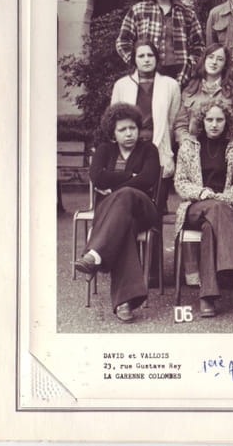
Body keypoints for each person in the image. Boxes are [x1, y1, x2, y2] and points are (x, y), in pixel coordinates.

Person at [173, 98, 233, 318]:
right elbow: (180, 182)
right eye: (209, 120)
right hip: (196, 206)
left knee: (210, 227)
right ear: (202, 121)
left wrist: (223, 198)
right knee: (215, 210)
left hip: (227, 206)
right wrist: (200, 192)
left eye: (219, 120)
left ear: (226, 122)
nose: (214, 124)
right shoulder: (189, 146)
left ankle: (207, 298)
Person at [74, 104, 160, 323]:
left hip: (143, 209)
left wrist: (114, 187)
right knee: (124, 229)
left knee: (126, 194)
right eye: (122, 129)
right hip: (112, 215)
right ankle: (124, 303)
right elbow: (97, 177)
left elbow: (148, 178)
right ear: (113, 132)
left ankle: (95, 253)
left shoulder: (149, 150)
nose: (129, 133)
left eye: (132, 128)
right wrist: (131, 175)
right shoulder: (104, 150)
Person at [116, 0, 204, 88]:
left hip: (180, 76)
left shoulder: (186, 13)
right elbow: (122, 42)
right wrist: (137, 61)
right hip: (147, 76)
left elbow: (199, 46)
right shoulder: (138, 10)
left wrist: (189, 67)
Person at [111, 39, 181, 179]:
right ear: (134, 60)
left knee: (157, 190)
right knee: (129, 188)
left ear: (156, 58)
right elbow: (113, 121)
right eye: (141, 56)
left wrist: (167, 146)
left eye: (150, 55)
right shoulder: (122, 85)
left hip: (159, 147)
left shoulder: (170, 85)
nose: (146, 60)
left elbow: (173, 121)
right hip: (129, 146)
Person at [174, 43, 233, 147]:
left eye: (220, 59)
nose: (214, 62)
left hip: (223, 148)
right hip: (193, 148)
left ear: (225, 65)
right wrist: (188, 143)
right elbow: (180, 125)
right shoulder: (190, 91)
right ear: (204, 60)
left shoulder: (232, 92)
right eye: (211, 57)